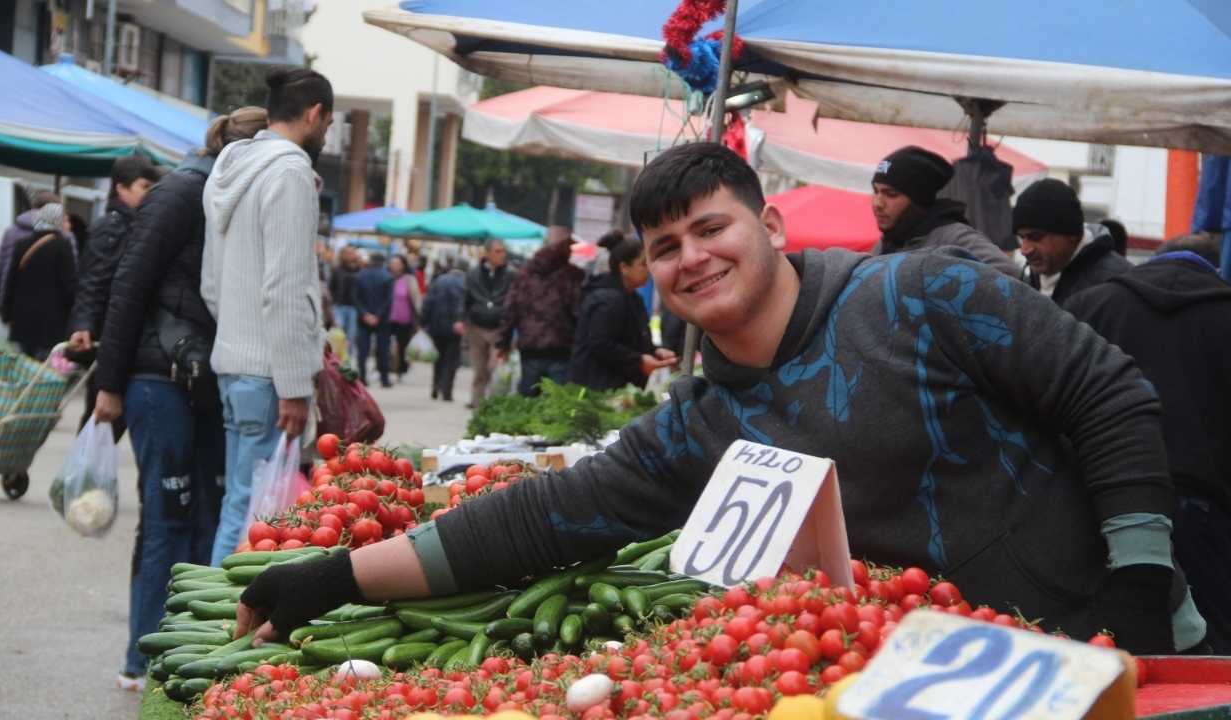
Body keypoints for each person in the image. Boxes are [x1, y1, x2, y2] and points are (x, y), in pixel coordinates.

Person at [235, 142, 1202, 657]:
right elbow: (538, 519)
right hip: (958, 684)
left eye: (711, 227)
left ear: (769, 223)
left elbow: (1107, 394)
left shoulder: (920, 292)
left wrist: (1140, 579)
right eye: (665, 248)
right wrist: (330, 580)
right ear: (648, 271)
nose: (692, 257)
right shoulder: (700, 424)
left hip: (1126, 641)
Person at [94, 107, 268, 692]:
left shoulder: (225, 193)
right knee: (168, 520)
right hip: (156, 379)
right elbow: (127, 286)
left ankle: (181, 653)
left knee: (204, 518)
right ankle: (141, 658)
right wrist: (109, 385)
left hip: (199, 378)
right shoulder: (180, 193)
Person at [1064, 233, 1231, 653]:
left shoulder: (1089, 306)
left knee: (1108, 647)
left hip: (1102, 507)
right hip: (1208, 516)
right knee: (1211, 659)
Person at [201, 69, 333, 564]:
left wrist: (238, 333)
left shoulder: (230, 168)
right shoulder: (290, 173)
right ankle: (215, 627)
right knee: (256, 519)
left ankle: (208, 620)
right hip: (269, 376)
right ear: (314, 113)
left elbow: (211, 283)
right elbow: (286, 287)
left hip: (233, 363)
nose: (326, 133)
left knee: (239, 504)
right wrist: (295, 384)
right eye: (330, 123)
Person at [68, 155, 162, 433]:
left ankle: (87, 471)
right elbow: (92, 281)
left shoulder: (135, 224)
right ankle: (84, 474)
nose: (149, 194)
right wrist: (84, 324)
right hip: (109, 340)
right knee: (102, 420)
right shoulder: (112, 227)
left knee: (107, 422)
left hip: (121, 338)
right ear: (121, 188)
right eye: (144, 186)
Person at [870, 146, 1019, 277]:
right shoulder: (887, 243)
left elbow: (1008, 273)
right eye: (876, 192)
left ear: (917, 199)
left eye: (891, 194)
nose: (878, 203)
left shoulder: (953, 238)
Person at [569, 230, 676, 390]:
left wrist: (655, 352)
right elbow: (600, 343)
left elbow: (630, 340)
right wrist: (638, 361)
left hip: (617, 386)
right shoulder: (609, 299)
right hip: (598, 389)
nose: (649, 270)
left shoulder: (632, 298)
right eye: (643, 264)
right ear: (624, 267)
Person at [1014, 178, 1131, 306]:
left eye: (1036, 237)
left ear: (1071, 234)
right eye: (1021, 237)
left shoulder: (1116, 286)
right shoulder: (1033, 276)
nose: (1025, 250)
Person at [497, 227, 584, 396]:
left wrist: (503, 342)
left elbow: (510, 310)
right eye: (568, 248)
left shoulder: (524, 273)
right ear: (561, 249)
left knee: (528, 404)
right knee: (556, 406)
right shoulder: (572, 276)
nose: (570, 252)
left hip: (530, 348)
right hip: (562, 350)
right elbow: (579, 312)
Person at [0, 203, 76, 359]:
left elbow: (10, 281)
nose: (68, 224)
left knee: (24, 366)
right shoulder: (62, 246)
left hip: (23, 320)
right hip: (50, 324)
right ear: (57, 221)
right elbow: (70, 286)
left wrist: (6, 314)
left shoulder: (22, 244)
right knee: (43, 371)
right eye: (65, 220)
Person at [458, 239, 513, 408]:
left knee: (495, 367)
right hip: (477, 326)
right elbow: (465, 297)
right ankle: (477, 402)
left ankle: (494, 401)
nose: (501, 254)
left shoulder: (511, 274)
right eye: (497, 251)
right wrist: (461, 319)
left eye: (503, 251)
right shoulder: (474, 273)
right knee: (479, 368)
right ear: (487, 253)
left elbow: (514, 300)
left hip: (499, 327)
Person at [0, 190, 62, 313]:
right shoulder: (63, 237)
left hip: (10, 302)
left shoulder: (12, 231)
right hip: (46, 309)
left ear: (33, 206)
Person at [420, 259, 466, 401]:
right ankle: (447, 391)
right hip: (454, 327)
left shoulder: (438, 281)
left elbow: (428, 302)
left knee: (438, 358)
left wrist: (423, 322)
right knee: (451, 360)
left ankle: (435, 386)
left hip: (436, 326)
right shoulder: (464, 283)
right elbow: (463, 305)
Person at [353, 253, 394, 387]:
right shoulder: (388, 277)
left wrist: (365, 314)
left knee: (363, 349)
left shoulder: (360, 276)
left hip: (363, 319)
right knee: (383, 349)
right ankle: (384, 378)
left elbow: (355, 297)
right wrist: (377, 315)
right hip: (381, 320)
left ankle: (363, 377)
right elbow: (388, 300)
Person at [387, 254, 422, 381]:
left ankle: (401, 370)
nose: (394, 266)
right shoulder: (387, 278)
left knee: (403, 346)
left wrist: (419, 318)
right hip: (388, 318)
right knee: (385, 345)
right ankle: (386, 368)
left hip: (404, 319)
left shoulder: (409, 279)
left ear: (403, 266)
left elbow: (417, 299)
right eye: (393, 263)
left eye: (397, 264)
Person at [329, 246, 362, 351]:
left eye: (352, 253)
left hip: (354, 307)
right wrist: (333, 302)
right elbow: (331, 287)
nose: (350, 255)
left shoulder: (359, 269)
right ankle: (337, 358)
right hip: (339, 306)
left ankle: (347, 359)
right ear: (342, 255)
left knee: (351, 334)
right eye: (347, 253)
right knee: (338, 333)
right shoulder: (337, 269)